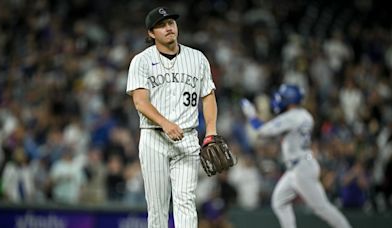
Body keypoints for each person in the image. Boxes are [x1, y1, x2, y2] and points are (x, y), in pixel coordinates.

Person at [126, 6, 218, 228]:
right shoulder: (142, 60)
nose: (168, 28)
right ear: (151, 33)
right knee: (157, 207)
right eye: (161, 25)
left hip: (187, 138)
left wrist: (212, 131)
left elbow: (208, 96)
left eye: (171, 23)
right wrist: (165, 123)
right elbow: (140, 101)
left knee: (186, 202)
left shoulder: (197, 58)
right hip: (154, 137)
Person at [240, 84, 351, 228]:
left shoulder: (292, 117)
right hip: (298, 167)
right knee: (279, 202)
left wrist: (252, 115)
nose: (280, 100)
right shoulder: (304, 115)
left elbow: (262, 130)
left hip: (301, 168)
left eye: (283, 97)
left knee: (322, 208)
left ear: (290, 100)